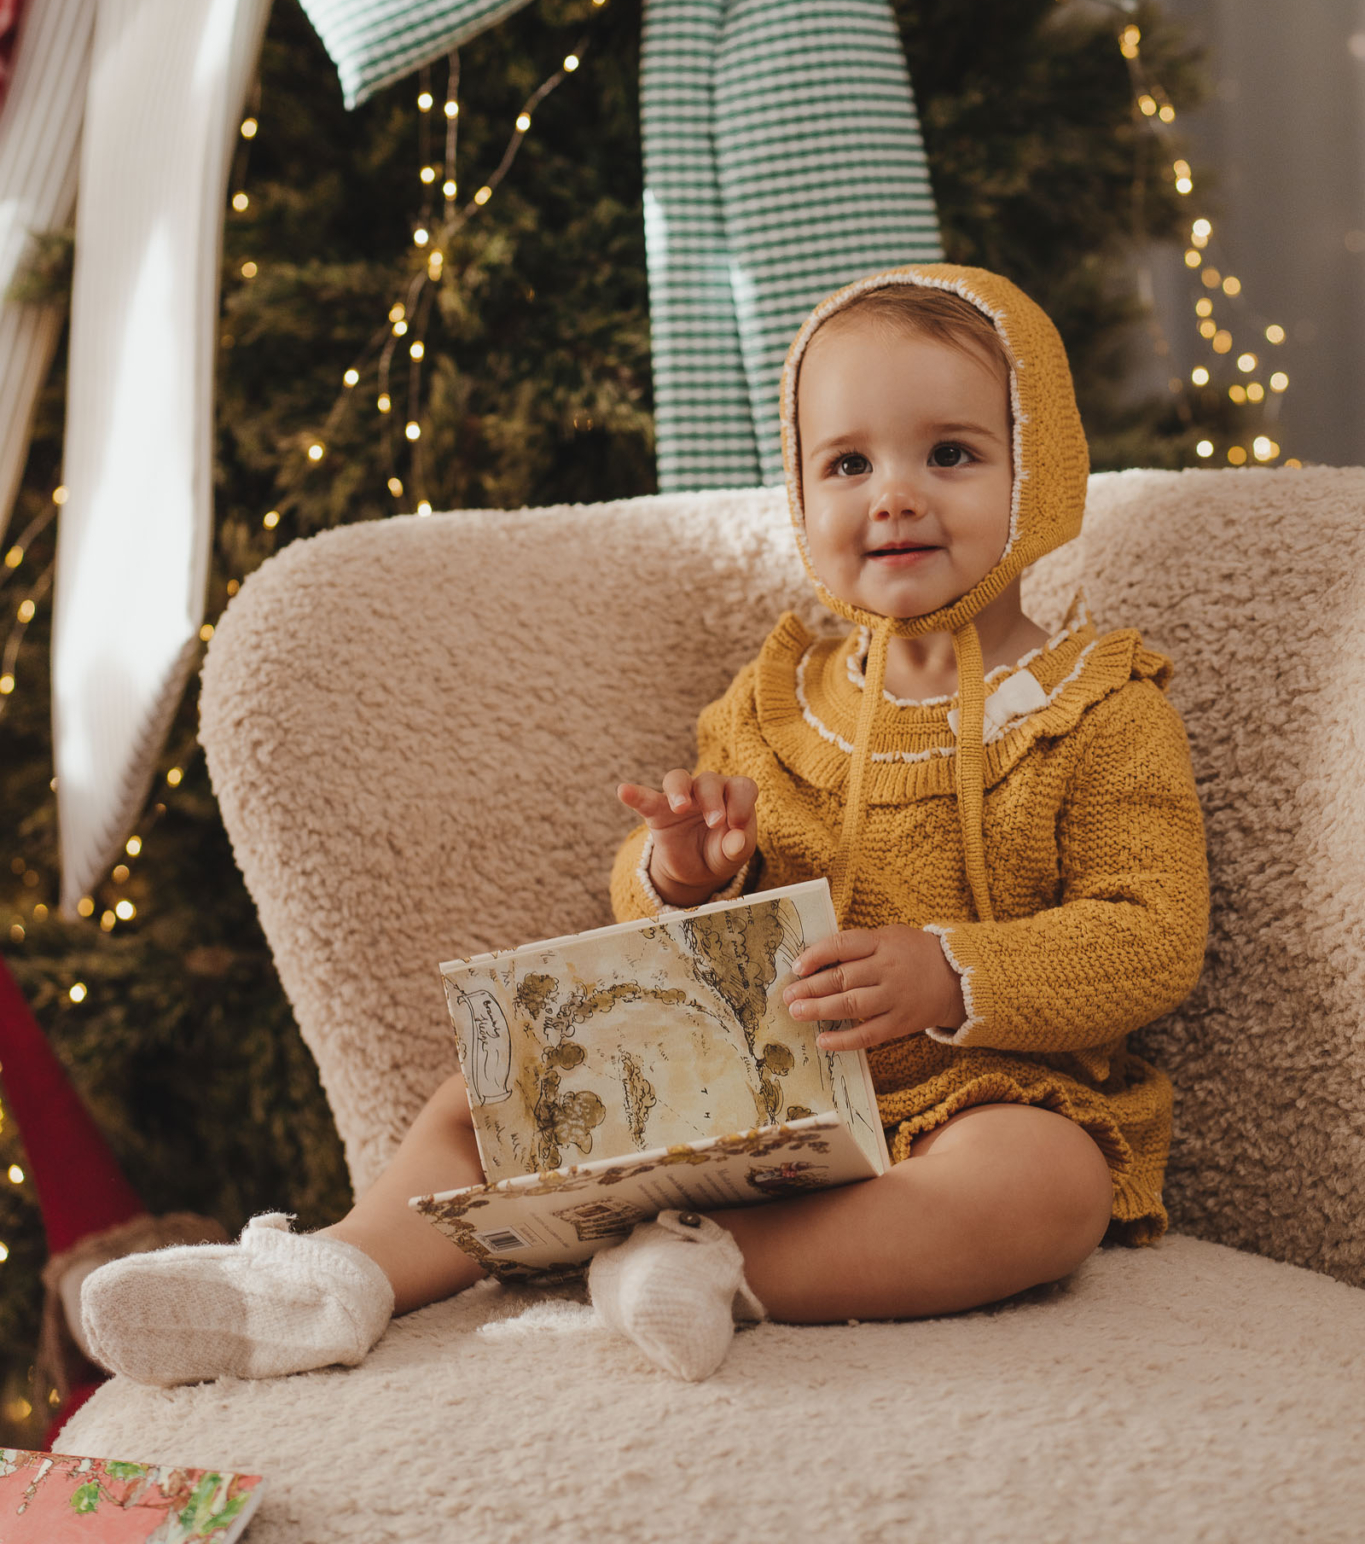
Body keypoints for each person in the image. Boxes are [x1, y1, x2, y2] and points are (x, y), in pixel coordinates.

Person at [80, 266, 1208, 1389]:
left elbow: (1154, 930)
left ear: (1041, 470)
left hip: (977, 1101)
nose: (896, 495)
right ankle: (334, 1273)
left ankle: (703, 1262)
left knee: (1047, 1191)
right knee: (494, 1092)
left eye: (950, 453)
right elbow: (665, 916)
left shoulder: (1100, 708)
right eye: (849, 463)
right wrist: (681, 873)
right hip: (760, 1082)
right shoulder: (775, 703)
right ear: (802, 491)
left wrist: (949, 970)